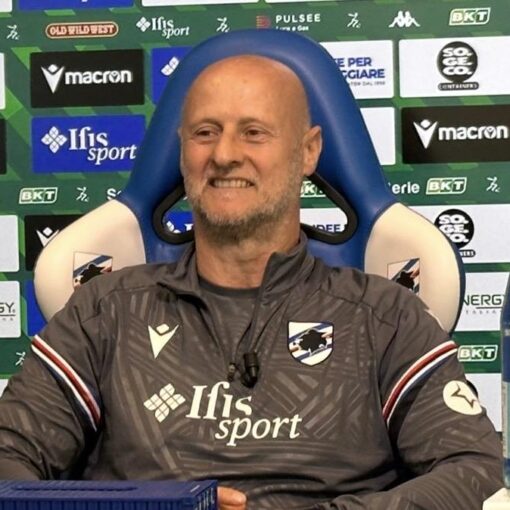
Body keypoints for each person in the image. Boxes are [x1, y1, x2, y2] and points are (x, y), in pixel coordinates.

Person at [0, 53, 503, 510]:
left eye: (253, 132)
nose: (224, 154)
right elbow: (8, 457)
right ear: (182, 150)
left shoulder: (387, 318)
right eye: (205, 132)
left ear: (308, 151)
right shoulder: (103, 313)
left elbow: (472, 471)